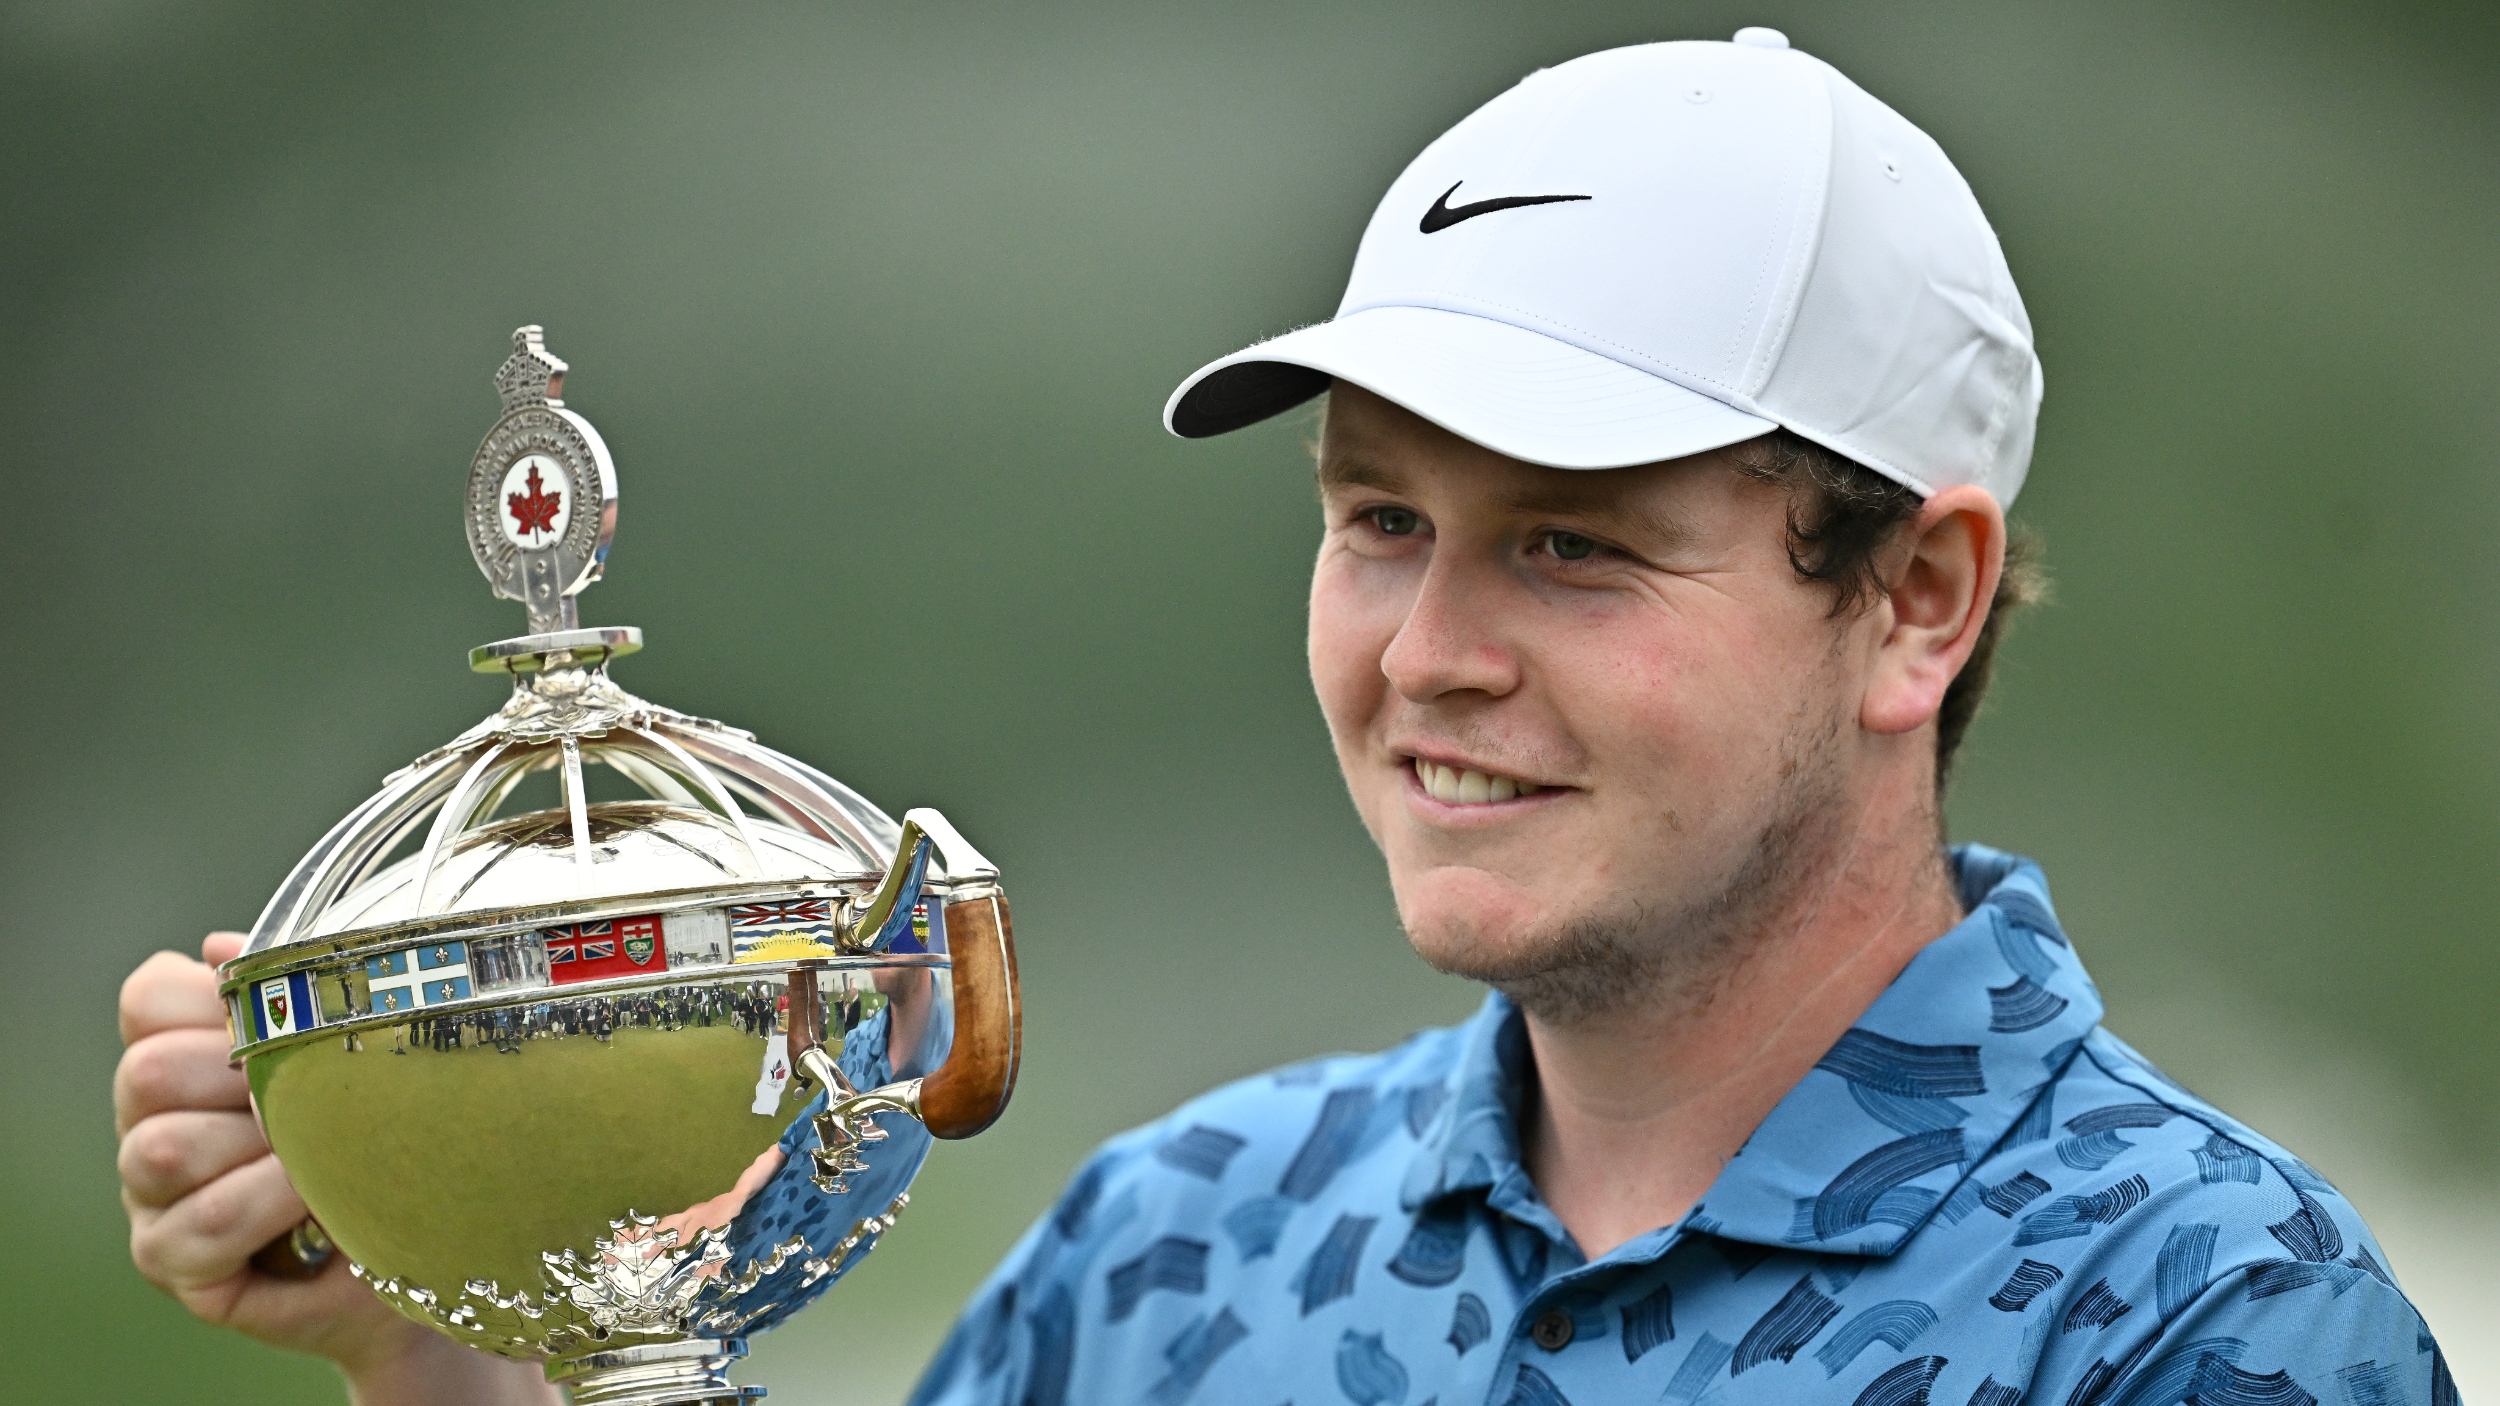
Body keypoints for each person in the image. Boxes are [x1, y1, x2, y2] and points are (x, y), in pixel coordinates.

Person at [115, 28, 2452, 1406]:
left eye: (1569, 542)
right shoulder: (1174, 1250)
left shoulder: (2200, 1328)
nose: (1423, 649)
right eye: (1374, 520)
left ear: (1908, 602)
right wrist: (470, 1337)